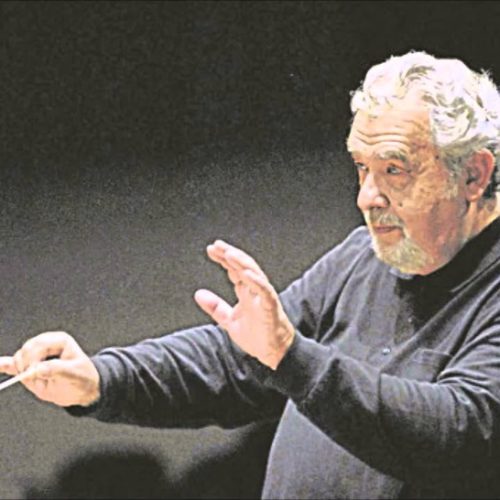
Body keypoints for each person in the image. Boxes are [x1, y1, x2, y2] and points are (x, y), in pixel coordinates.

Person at [1, 50, 500, 499]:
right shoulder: (360, 258)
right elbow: (239, 359)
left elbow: (459, 432)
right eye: (361, 168)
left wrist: (290, 356)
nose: (367, 197)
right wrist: (101, 377)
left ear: (474, 175)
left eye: (394, 170)